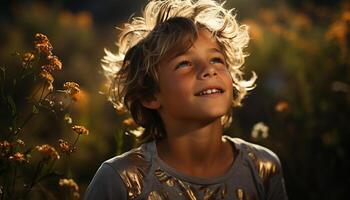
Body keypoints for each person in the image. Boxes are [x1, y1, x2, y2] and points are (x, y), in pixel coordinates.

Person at [85, 0, 288, 199]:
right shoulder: (121, 180)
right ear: (150, 95)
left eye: (216, 59)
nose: (208, 70)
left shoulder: (262, 168)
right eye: (184, 64)